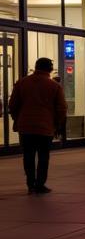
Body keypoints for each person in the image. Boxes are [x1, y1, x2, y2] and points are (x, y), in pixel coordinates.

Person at [8, 57, 66, 193]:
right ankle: (40, 184)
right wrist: (57, 123)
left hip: (25, 126)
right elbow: (61, 108)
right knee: (43, 156)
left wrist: (19, 119)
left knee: (28, 156)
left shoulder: (22, 83)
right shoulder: (54, 86)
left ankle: (30, 184)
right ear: (50, 69)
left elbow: (12, 105)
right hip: (45, 127)